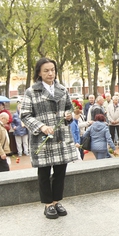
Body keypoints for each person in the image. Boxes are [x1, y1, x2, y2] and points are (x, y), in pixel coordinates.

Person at [21, 57, 79, 219]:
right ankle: (48, 204)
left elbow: (69, 108)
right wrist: (41, 127)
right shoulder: (31, 91)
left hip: (61, 136)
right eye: (46, 70)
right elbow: (24, 115)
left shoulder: (62, 89)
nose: (50, 73)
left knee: (60, 170)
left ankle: (56, 200)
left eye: (52, 70)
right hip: (43, 138)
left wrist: (69, 116)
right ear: (39, 73)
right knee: (44, 171)